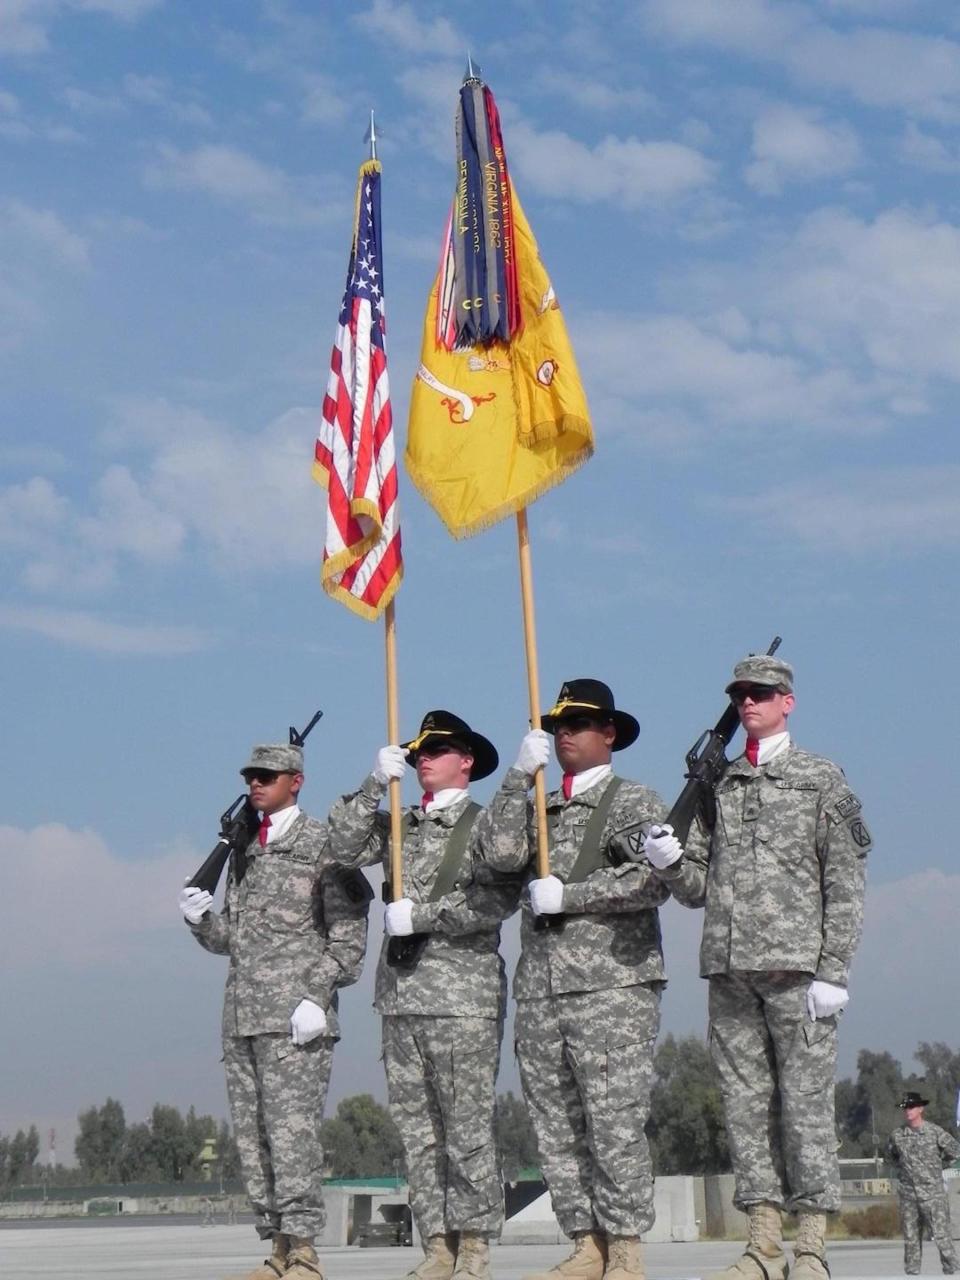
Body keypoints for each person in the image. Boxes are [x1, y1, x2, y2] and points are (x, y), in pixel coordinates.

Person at [643, 654, 870, 1280]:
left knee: (804, 1106)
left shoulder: (820, 778)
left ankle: (812, 1244)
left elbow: (845, 880)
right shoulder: (720, 784)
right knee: (744, 1108)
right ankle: (763, 1243)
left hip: (799, 970)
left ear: (788, 702)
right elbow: (697, 888)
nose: (750, 702)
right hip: (730, 967)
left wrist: (835, 970)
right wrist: (668, 860)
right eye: (741, 693)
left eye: (763, 693)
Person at [479, 678, 670, 1280]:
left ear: (608, 734)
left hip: (611, 987)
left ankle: (627, 1247)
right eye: (557, 726)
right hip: (541, 989)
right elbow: (496, 857)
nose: (565, 734)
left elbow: (655, 880)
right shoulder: (538, 803)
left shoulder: (634, 802)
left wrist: (574, 897)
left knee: (613, 1120)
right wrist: (515, 778)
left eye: (579, 724)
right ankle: (586, 1241)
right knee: (555, 1124)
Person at [326, 710, 525, 1280]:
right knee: (419, 1136)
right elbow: (342, 845)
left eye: (436, 751)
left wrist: (425, 915)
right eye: (417, 753)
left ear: (466, 760)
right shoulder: (398, 826)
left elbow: (499, 899)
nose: (422, 761)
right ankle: (436, 1244)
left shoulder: (486, 826)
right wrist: (371, 785)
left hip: (461, 997)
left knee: (466, 1130)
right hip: (400, 998)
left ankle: (474, 1247)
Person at [178, 741, 371, 1280]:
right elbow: (234, 941)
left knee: (293, 1137)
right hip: (242, 1017)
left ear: (296, 781)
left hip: (295, 1021)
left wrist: (317, 996)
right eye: (250, 776)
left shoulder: (323, 844)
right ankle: (279, 1249)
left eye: (267, 775)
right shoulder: (245, 849)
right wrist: (200, 920)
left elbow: (349, 936)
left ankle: (306, 1250)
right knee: (256, 1141)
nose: (255, 784)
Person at [886, 1090, 960, 1275]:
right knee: (911, 1240)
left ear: (920, 1109)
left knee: (942, 1238)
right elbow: (891, 1157)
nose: (908, 1111)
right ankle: (912, 1274)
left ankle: (953, 1272)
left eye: (911, 1107)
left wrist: (936, 1170)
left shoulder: (934, 1132)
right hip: (909, 1196)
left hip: (932, 1196)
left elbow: (955, 1152)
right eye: (905, 1108)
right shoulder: (897, 1136)